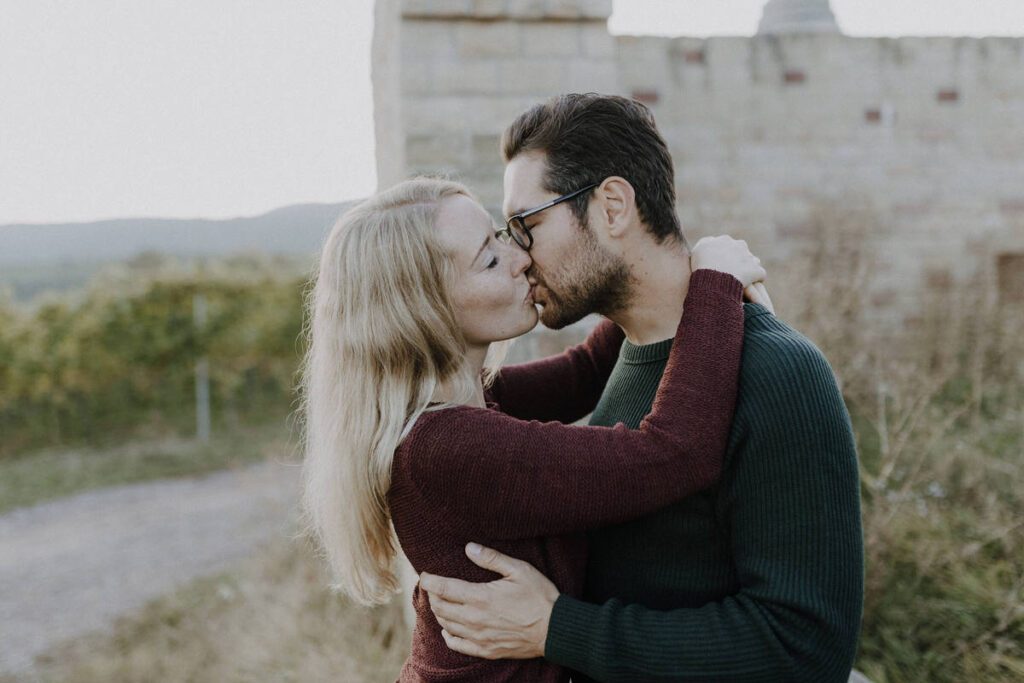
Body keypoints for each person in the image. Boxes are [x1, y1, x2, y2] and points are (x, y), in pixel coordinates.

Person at [419, 93, 864, 682]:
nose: (519, 256)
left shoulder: (779, 374)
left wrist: (561, 628)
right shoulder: (624, 354)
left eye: (526, 226)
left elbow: (805, 647)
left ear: (611, 206)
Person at [299, 176, 769, 682]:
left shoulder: (458, 407)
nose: (520, 257)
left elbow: (585, 373)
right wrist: (713, 286)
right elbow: (675, 453)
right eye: (490, 258)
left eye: (501, 235)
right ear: (425, 310)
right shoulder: (449, 448)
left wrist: (648, 267)